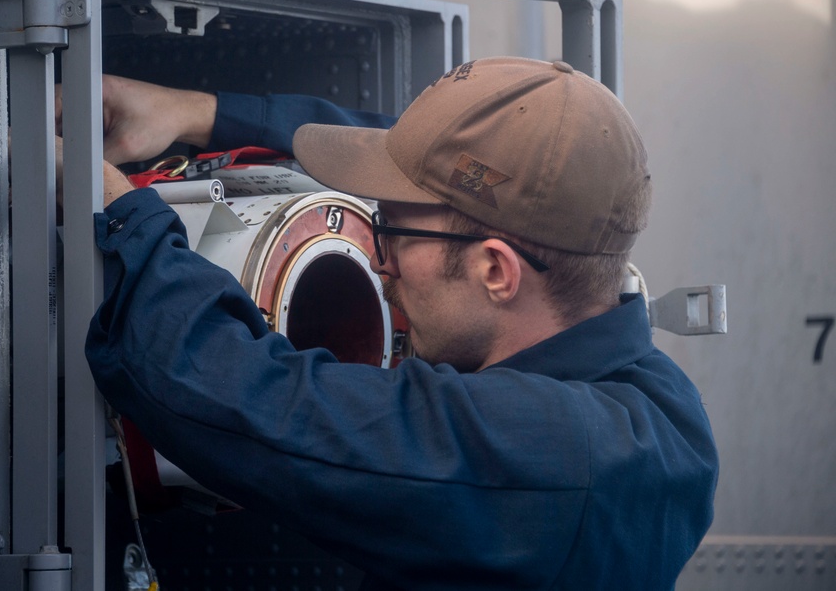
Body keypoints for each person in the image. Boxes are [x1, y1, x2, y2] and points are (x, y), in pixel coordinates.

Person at [67, 57, 718, 590]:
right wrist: (193, 110)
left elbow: (250, 399)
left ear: (497, 270)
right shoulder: (664, 406)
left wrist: (127, 217)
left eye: (389, 230)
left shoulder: (545, 455)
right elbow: (422, 154)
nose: (378, 262)